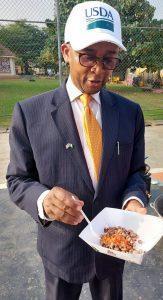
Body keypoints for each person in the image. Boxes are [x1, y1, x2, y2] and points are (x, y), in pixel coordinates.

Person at [7, 1, 148, 299]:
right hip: (61, 249)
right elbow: (18, 180)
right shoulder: (29, 113)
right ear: (66, 52)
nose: (98, 71)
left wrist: (134, 199)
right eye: (87, 57)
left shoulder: (130, 113)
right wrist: (45, 200)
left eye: (109, 60)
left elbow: (136, 171)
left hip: (112, 248)